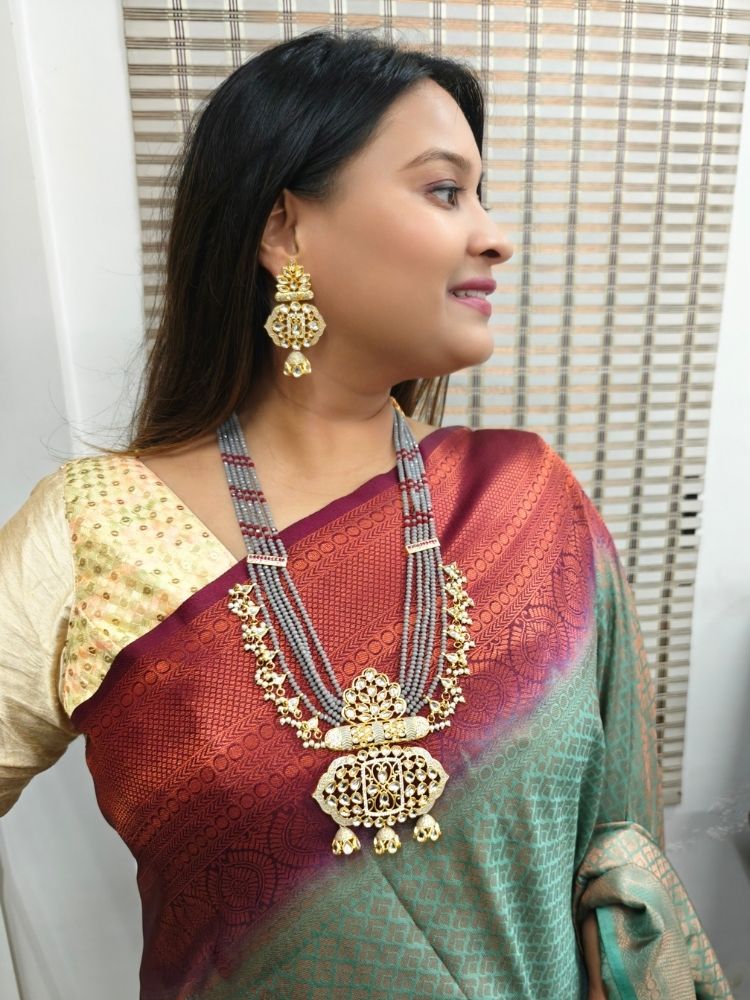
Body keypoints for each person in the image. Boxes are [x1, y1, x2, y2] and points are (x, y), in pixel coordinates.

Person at [0, 28, 732, 1000]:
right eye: (445, 191)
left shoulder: (528, 503)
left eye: (482, 194)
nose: (495, 235)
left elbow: (620, 855)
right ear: (285, 231)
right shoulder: (96, 532)